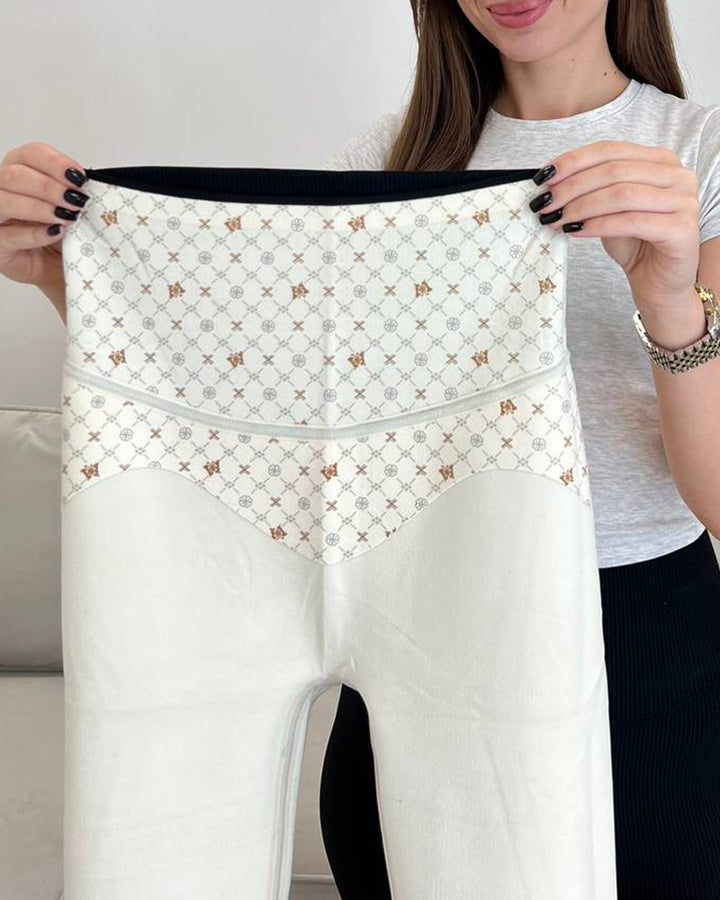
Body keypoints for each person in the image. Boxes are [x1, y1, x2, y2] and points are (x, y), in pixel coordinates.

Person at [316, 1, 720, 898]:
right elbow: (292, 433)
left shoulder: (700, 153)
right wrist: (78, 281)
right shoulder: (381, 165)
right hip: (420, 635)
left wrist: (669, 299)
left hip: (647, 643)